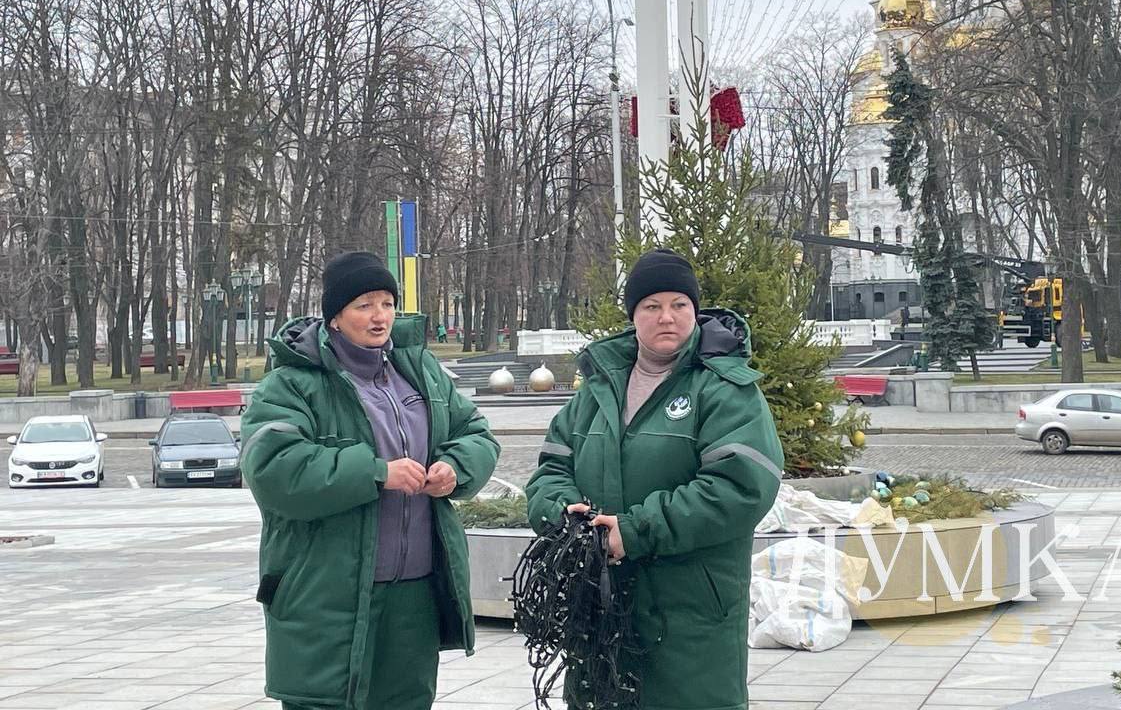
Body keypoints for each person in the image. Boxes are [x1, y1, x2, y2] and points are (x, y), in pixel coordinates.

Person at [525, 248, 784, 710]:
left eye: (679, 304)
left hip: (691, 614)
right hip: (600, 613)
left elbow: (740, 487)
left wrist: (635, 531)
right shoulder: (598, 389)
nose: (667, 317)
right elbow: (551, 470)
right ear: (633, 315)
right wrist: (563, 514)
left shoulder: (724, 388)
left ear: (694, 310)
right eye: (651, 305)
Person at [240, 250, 500, 710]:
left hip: (413, 595)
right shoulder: (292, 384)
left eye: (386, 303)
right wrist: (378, 473)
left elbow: (476, 433)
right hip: (327, 592)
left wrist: (454, 468)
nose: (379, 316)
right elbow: (274, 469)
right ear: (335, 318)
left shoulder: (420, 372)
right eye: (363, 305)